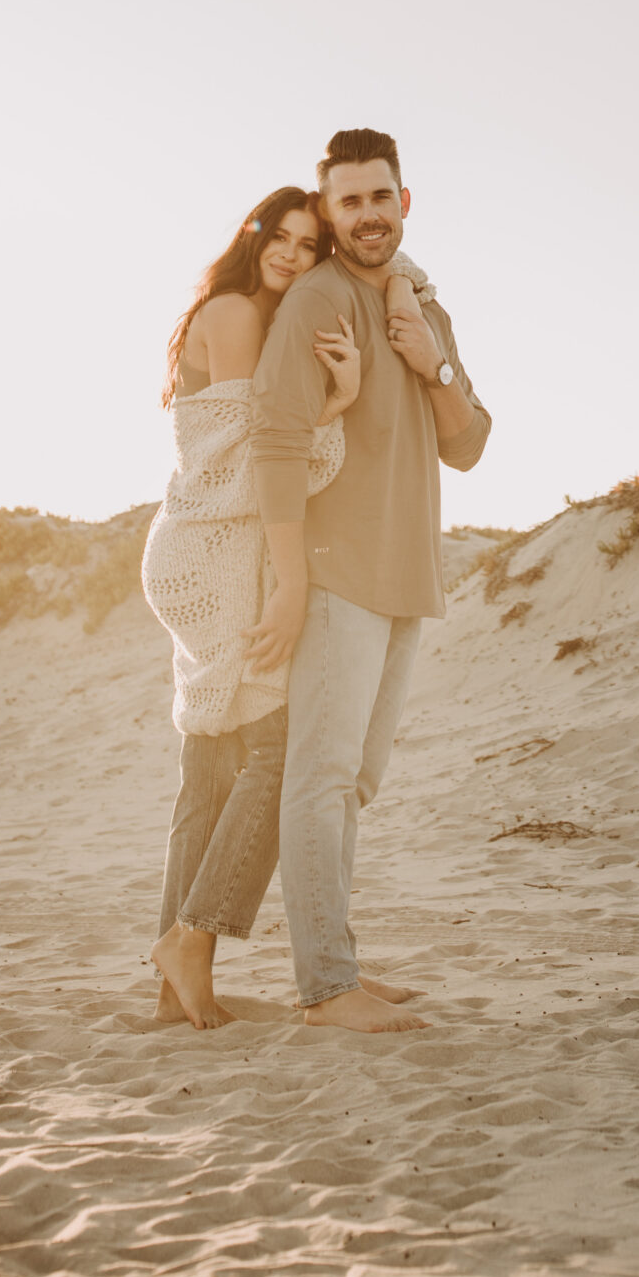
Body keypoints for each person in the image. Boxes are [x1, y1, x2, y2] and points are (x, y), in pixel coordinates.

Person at [142, 186, 429, 1028]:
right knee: (274, 751)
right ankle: (192, 937)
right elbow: (245, 471)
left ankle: (173, 982)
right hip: (216, 552)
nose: (292, 254)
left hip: (199, 548)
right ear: (253, 233)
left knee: (210, 768)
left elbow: (390, 262)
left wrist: (404, 287)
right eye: (282, 234)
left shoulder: (257, 318)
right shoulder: (234, 316)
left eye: (309, 245)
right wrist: (335, 410)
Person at [246, 126, 491, 1034]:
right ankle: (324, 988)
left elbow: (466, 443)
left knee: (354, 783)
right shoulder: (316, 299)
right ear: (329, 210)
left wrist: (431, 361)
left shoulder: (420, 300)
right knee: (319, 778)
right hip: (335, 572)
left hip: (406, 573)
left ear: (404, 201)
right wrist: (287, 584)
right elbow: (273, 443)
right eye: (347, 201)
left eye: (379, 197)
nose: (367, 215)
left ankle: (335, 959)